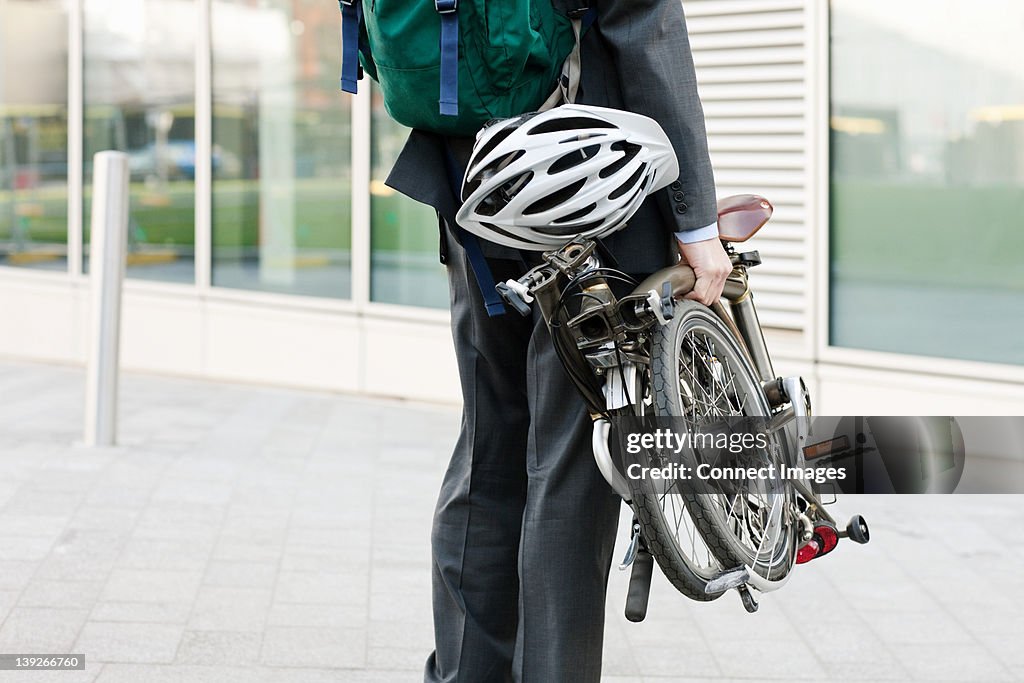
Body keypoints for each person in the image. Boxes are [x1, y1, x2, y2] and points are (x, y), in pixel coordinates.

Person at [385, 1, 730, 680]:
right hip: (580, 169)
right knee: (572, 463)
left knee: (489, 439)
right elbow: (643, 24)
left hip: (468, 175)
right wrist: (695, 216)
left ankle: (465, 672)